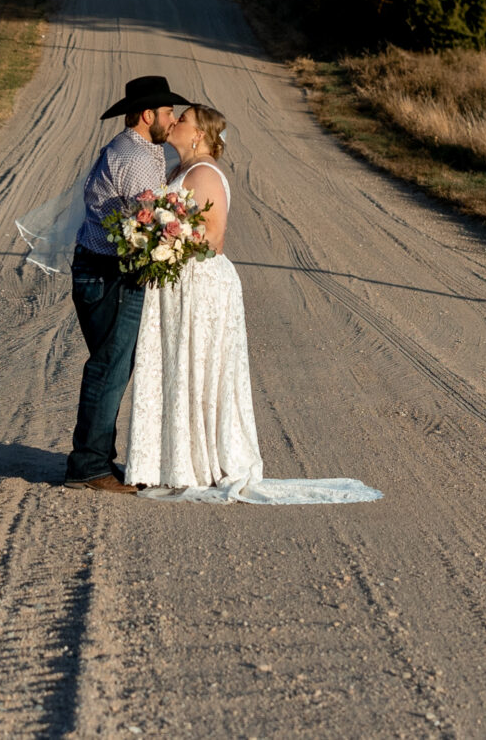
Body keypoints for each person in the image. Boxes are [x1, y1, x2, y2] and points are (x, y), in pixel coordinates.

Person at [119, 105, 380, 506]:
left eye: (182, 119)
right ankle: (175, 459)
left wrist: (163, 242)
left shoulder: (204, 174)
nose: (174, 122)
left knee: (199, 369)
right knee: (180, 368)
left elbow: (214, 239)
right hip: (180, 283)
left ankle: (198, 464)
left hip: (202, 287)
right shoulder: (178, 171)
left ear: (197, 135)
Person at [60, 73, 188, 492]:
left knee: (113, 364)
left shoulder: (141, 149)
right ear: (147, 114)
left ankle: (95, 460)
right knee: (110, 367)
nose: (173, 119)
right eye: (168, 112)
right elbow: (147, 222)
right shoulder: (133, 158)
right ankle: (90, 466)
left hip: (106, 270)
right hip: (108, 273)